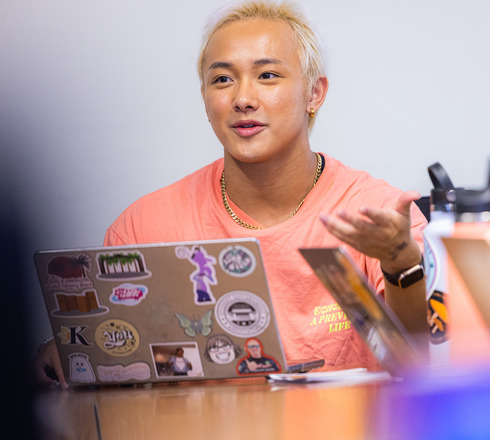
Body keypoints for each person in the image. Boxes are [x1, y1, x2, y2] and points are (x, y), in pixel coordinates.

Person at [37, 0, 427, 387]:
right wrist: (70, 351)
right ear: (205, 99)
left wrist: (400, 261)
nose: (242, 98)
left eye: (268, 75)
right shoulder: (142, 227)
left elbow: (423, 359)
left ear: (314, 93)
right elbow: (114, 363)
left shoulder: (379, 215)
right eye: (222, 79)